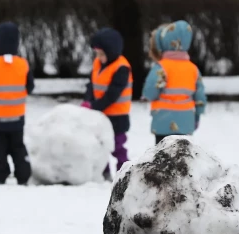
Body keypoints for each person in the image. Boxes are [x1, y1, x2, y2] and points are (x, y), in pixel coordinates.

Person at [0, 22, 34, 185]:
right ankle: (23, 175)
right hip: (17, 116)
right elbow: (30, 86)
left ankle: (0, 175)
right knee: (18, 147)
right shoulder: (23, 64)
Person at [142, 20, 206, 145]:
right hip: (186, 123)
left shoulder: (162, 68)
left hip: (163, 122)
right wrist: (197, 115)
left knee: (161, 157)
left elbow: (150, 92)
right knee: (182, 156)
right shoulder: (193, 69)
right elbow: (200, 96)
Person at [82, 27, 132, 181]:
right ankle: (104, 172)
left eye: (102, 54)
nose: (98, 57)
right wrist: (88, 99)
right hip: (100, 114)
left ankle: (123, 172)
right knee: (100, 145)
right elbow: (92, 84)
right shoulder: (98, 63)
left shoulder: (122, 68)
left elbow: (112, 94)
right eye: (97, 53)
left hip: (117, 117)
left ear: (112, 52)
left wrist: (94, 106)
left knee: (116, 146)